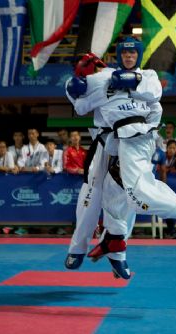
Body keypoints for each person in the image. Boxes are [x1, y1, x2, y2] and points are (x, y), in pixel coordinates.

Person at [67, 38, 176, 279]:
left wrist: (135, 81)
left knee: (133, 193)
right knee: (105, 195)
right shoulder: (103, 82)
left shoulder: (146, 76)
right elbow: (80, 104)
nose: (129, 56)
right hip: (109, 141)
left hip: (136, 135)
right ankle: (108, 242)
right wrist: (73, 86)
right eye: (125, 53)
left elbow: (156, 97)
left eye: (133, 53)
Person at [64, 52, 116, 271]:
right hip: (103, 141)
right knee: (90, 193)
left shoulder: (120, 74)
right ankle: (77, 248)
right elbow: (79, 107)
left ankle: (117, 253)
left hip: (131, 142)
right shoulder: (78, 83)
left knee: (125, 198)